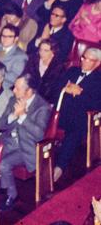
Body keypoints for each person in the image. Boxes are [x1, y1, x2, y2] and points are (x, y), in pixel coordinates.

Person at [0, 74, 51, 210]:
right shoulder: (13, 100)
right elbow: (2, 124)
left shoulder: (42, 107)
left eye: (17, 88)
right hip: (8, 142)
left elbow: (39, 135)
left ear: (29, 91)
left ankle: (11, 195)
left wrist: (22, 116)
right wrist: (13, 116)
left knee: (4, 164)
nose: (13, 90)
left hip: (26, 148)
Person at [54, 48, 101, 182]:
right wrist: (66, 89)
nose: (84, 61)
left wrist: (81, 93)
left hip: (80, 116)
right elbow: (55, 88)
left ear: (97, 63)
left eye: (89, 59)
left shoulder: (98, 80)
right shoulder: (72, 71)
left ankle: (59, 167)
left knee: (75, 131)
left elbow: (97, 104)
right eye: (83, 57)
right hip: (59, 112)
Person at [23, 39, 67, 104]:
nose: (41, 53)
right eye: (40, 50)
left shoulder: (59, 69)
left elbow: (54, 90)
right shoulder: (33, 61)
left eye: (46, 51)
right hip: (27, 94)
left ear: (53, 53)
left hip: (44, 100)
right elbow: (25, 77)